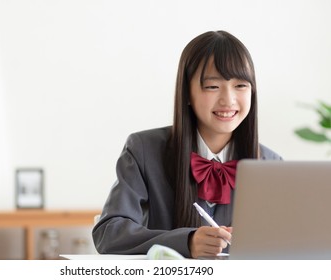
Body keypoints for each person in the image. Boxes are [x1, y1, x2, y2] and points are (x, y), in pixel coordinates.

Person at [92, 30, 282, 259]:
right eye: (212, 86)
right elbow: (109, 232)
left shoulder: (271, 164)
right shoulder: (144, 150)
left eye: (240, 86)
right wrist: (186, 241)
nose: (228, 100)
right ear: (187, 93)